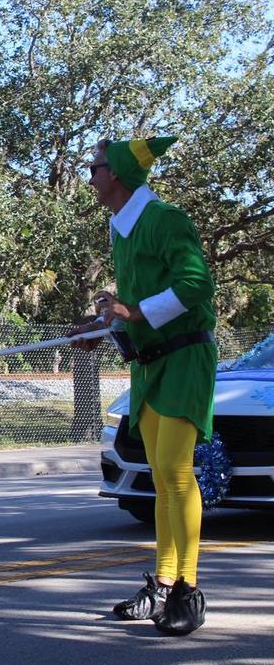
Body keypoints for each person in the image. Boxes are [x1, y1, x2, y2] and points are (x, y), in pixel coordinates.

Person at [70, 137, 216, 635]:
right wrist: (101, 326)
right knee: (160, 479)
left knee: (176, 474)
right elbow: (130, 304)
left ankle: (187, 592)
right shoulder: (122, 229)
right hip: (149, 366)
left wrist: (134, 312)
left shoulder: (165, 220)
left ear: (119, 174)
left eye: (95, 167)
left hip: (183, 360)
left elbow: (197, 285)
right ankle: (162, 584)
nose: (89, 176)